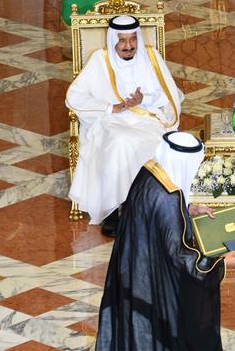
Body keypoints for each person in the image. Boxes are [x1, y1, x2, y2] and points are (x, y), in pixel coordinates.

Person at [96, 131, 235, 350]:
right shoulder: (168, 199)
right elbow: (181, 257)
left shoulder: (149, 171)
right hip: (153, 280)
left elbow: (154, 217)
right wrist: (220, 263)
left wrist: (187, 209)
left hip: (136, 267)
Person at [66, 15, 184, 237]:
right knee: (120, 142)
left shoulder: (151, 57)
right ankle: (113, 211)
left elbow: (170, 94)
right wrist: (112, 107)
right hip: (112, 120)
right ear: (113, 41)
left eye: (132, 40)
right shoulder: (100, 61)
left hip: (147, 118)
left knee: (153, 143)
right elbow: (74, 96)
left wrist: (143, 100)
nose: (128, 47)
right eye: (122, 41)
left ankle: (147, 209)